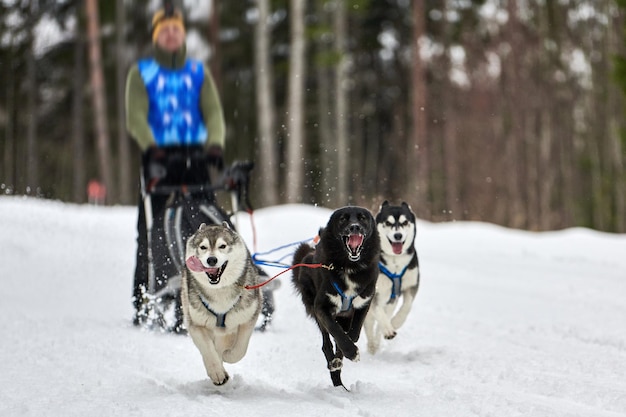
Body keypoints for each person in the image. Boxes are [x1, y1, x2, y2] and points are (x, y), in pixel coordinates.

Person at [125, 6, 226, 330]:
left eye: (176, 29)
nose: (171, 34)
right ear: (157, 36)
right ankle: (145, 297)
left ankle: (214, 292)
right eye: (165, 30)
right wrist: (149, 146)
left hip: (194, 156)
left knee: (209, 223)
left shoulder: (197, 72)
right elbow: (135, 116)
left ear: (183, 34)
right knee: (149, 229)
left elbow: (212, 112)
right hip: (158, 156)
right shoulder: (141, 72)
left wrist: (216, 143)